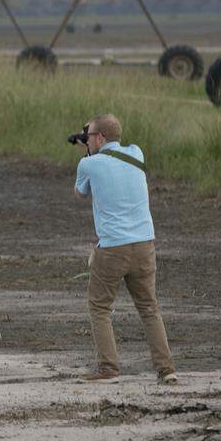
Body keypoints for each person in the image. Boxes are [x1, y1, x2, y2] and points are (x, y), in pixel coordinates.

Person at [73, 113, 177, 385]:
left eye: (90, 135)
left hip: (112, 249)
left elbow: (80, 193)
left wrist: (85, 154)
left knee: (99, 307)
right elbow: (114, 158)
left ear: (99, 138)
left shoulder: (89, 164)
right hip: (145, 245)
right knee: (149, 308)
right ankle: (166, 370)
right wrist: (91, 144)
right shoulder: (136, 153)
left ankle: (108, 368)